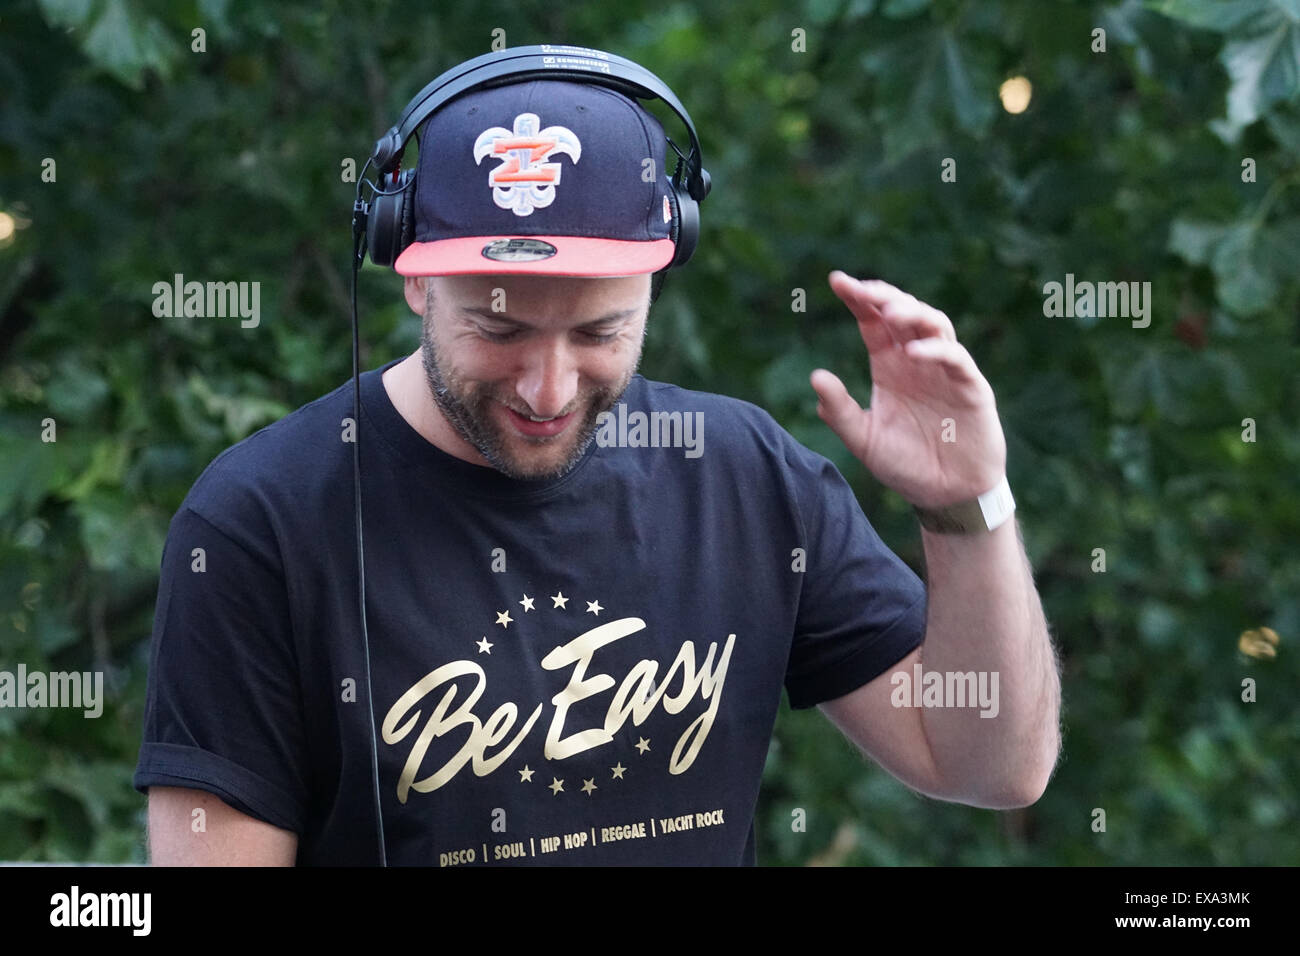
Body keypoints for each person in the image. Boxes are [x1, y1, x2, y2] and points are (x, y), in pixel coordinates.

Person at [133, 52, 1060, 866]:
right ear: (413, 271)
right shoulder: (260, 526)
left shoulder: (747, 478)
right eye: (498, 326)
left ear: (658, 278)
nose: (548, 387)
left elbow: (991, 764)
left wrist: (968, 506)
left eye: (599, 331)